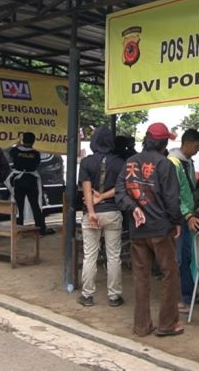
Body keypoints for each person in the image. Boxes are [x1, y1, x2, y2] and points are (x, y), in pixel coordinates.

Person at [115, 122, 184, 337]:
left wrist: (133, 207)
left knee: (141, 277)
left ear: (146, 139)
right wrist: (177, 222)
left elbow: (119, 193)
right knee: (169, 275)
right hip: (161, 230)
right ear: (164, 143)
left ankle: (142, 326)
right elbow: (172, 200)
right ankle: (167, 324)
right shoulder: (165, 165)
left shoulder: (130, 163)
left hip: (138, 231)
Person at [77, 125, 125, 307]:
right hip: (112, 212)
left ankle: (87, 296)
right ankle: (114, 296)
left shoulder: (87, 162)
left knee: (90, 255)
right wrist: (104, 197)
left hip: (92, 214)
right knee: (114, 256)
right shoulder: (121, 163)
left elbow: (86, 188)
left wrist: (91, 211)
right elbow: (122, 188)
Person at [168, 128, 199, 315]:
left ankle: (189, 293)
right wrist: (187, 215)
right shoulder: (173, 163)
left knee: (187, 258)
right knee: (177, 259)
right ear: (189, 143)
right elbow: (174, 194)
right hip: (178, 218)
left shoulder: (188, 162)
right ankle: (176, 299)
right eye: (197, 146)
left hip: (188, 216)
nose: (198, 150)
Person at [8, 132, 54, 236]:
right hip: (31, 180)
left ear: (23, 140)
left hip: (19, 181)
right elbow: (36, 164)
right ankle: (41, 228)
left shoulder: (15, 150)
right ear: (33, 141)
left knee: (19, 206)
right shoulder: (36, 153)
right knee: (35, 205)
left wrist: (18, 144)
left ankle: (18, 229)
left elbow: (11, 154)